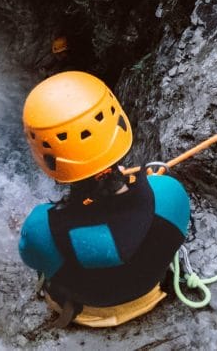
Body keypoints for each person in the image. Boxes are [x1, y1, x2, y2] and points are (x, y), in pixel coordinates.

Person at [18, 71, 190, 328]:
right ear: (118, 123)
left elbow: (33, 258)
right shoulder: (168, 192)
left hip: (84, 312)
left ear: (48, 159)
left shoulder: (39, 227)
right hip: (152, 294)